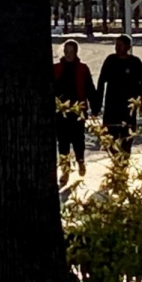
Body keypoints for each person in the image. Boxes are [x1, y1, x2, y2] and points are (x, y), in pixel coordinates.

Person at [95, 34, 142, 160]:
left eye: (120, 45)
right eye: (116, 45)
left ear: (128, 47)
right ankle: (116, 161)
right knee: (110, 138)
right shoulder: (110, 60)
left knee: (127, 138)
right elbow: (101, 81)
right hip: (111, 107)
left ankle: (124, 163)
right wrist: (97, 103)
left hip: (128, 109)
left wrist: (141, 100)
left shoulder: (135, 62)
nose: (117, 48)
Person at [53, 39, 97, 186]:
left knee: (78, 139)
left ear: (76, 52)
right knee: (63, 142)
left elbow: (90, 89)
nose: (68, 54)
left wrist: (95, 108)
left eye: (71, 52)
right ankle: (65, 170)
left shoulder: (83, 69)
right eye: (66, 52)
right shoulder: (56, 69)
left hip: (78, 110)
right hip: (61, 112)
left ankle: (80, 161)